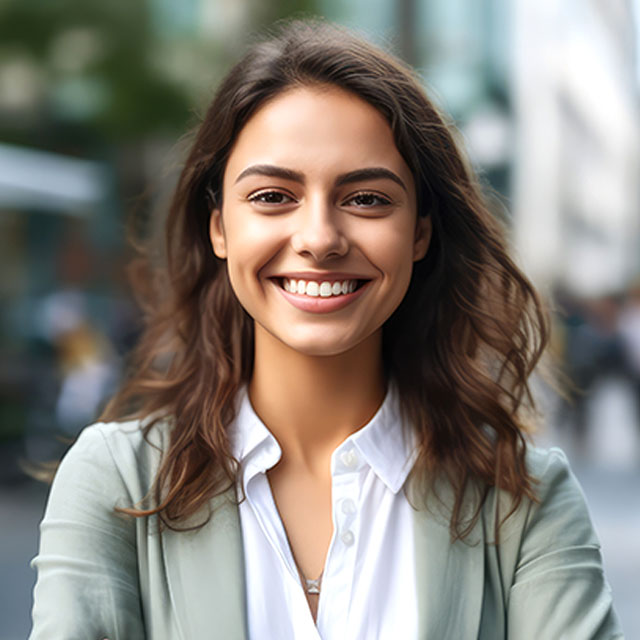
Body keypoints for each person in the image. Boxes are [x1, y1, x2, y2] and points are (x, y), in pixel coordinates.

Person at [29, 19, 623, 640]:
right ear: (219, 228)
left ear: (419, 232)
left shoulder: (522, 501)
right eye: (271, 196)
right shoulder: (117, 481)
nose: (318, 238)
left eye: (366, 199)